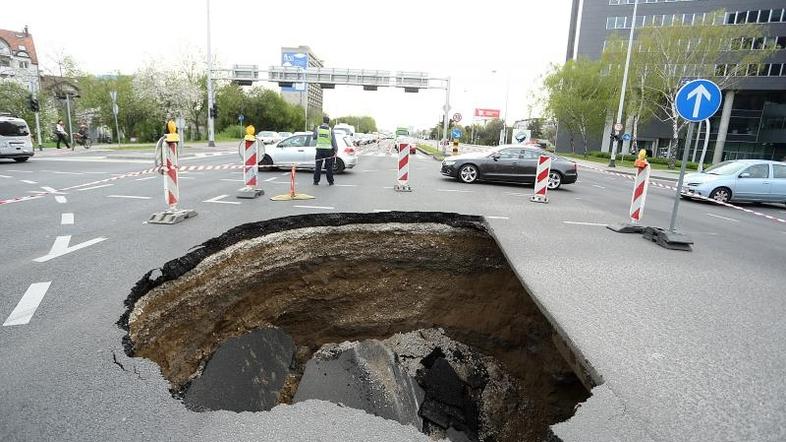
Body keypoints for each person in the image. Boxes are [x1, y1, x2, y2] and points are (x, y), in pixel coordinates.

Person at [313, 115, 337, 186]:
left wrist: (314, 130)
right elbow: (334, 141)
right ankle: (330, 181)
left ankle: (316, 181)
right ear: (328, 122)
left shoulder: (318, 129)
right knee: (329, 167)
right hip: (328, 151)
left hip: (319, 150)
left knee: (318, 166)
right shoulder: (330, 130)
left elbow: (314, 137)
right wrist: (336, 150)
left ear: (323, 121)